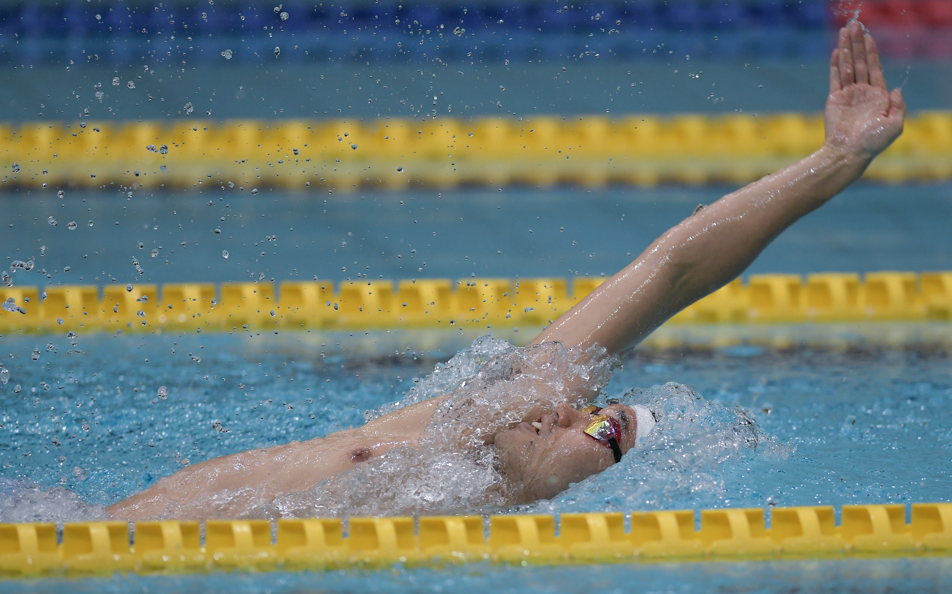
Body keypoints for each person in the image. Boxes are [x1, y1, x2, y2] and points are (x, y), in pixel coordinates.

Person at [108, 22, 905, 520]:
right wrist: (833, 163)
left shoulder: (458, 500)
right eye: (589, 408)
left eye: (594, 431)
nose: (563, 410)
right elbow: (674, 270)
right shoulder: (484, 419)